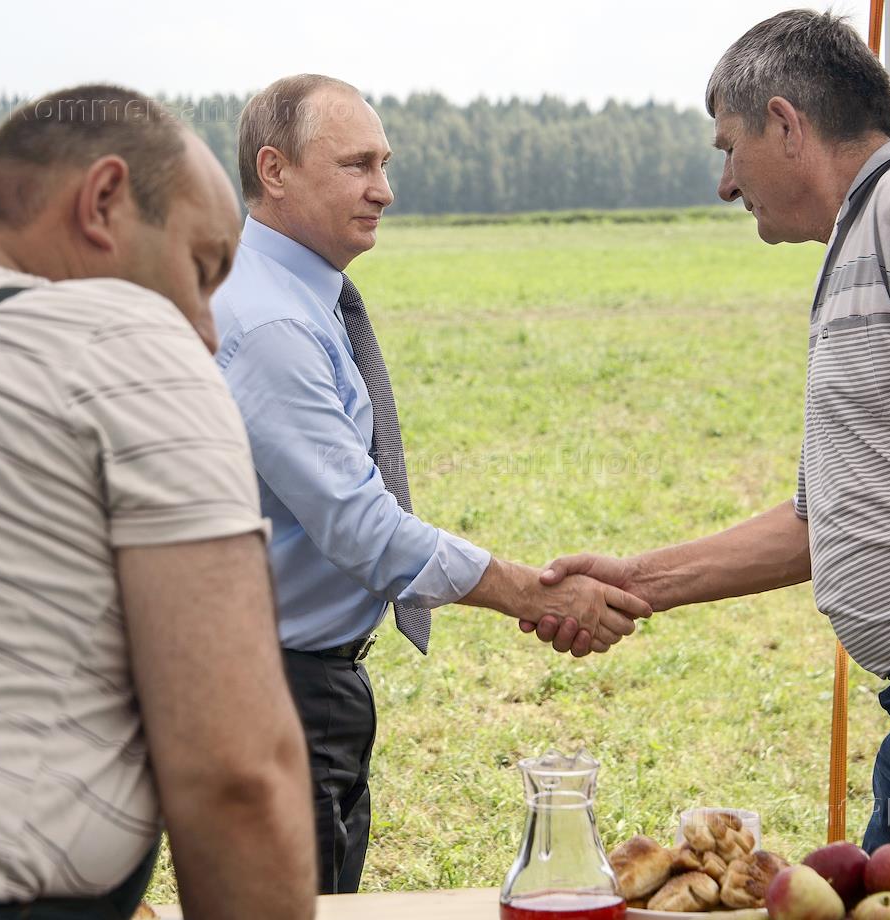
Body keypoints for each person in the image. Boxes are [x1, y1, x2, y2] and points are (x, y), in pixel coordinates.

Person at [536, 10, 890, 853]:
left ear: (786, 123)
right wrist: (639, 580)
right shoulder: (863, 237)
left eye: (729, 146)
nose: (725, 182)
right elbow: (818, 527)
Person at [212, 73, 651, 894]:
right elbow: (357, 525)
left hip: (299, 682)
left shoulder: (295, 297)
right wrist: (533, 593)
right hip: (280, 694)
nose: (385, 189)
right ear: (273, 171)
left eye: (383, 162)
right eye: (356, 165)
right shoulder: (271, 322)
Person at [0, 85, 315, 919]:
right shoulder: (126, 342)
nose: (206, 329)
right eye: (201, 270)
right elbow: (237, 776)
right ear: (104, 201)